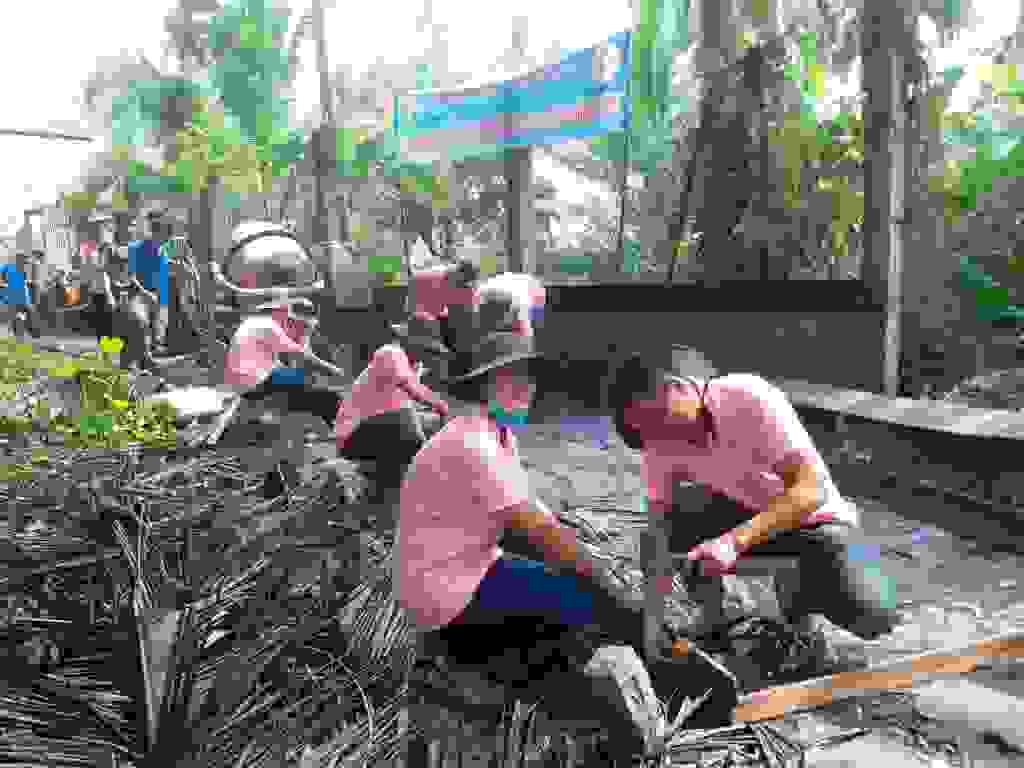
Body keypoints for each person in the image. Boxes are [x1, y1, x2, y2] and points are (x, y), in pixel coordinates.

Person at [394, 326, 739, 765]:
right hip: (446, 594)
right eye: (509, 379)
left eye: (527, 378)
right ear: (484, 386)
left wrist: (603, 582)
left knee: (575, 594)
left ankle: (638, 664)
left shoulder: (496, 436)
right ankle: (636, 685)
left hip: (467, 569)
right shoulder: (473, 445)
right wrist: (623, 600)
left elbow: (535, 511)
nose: (524, 389)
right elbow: (547, 539)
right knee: (583, 599)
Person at [608, 348, 902, 677]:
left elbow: (811, 490)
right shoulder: (658, 441)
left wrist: (732, 543)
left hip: (817, 523)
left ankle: (803, 610)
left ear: (678, 387)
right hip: (749, 513)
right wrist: (652, 627)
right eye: (647, 433)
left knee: (875, 615)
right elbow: (657, 530)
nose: (660, 439)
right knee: (671, 521)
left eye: (659, 420)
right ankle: (717, 618)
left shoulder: (747, 397)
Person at [335, 317, 451, 510]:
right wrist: (441, 405)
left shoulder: (413, 366)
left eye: (429, 349)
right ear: (408, 340)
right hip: (353, 434)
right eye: (424, 347)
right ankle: (421, 489)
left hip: (383, 429)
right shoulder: (391, 353)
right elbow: (411, 388)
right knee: (410, 428)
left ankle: (390, 487)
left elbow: (412, 403)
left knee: (435, 426)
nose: (425, 354)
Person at [127, 212, 171, 353]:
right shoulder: (135, 248)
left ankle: (155, 348)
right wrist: (146, 293)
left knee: (159, 333)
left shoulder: (164, 251)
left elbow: (165, 274)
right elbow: (130, 276)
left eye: (160, 227)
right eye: (155, 226)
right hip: (140, 295)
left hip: (160, 298)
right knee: (142, 324)